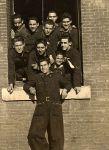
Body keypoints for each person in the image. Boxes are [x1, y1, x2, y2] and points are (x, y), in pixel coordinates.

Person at [23, 57, 71, 150]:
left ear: (49, 65)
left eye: (45, 65)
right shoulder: (37, 77)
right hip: (41, 107)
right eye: (41, 66)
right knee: (33, 135)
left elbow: (68, 83)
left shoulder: (56, 76)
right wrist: (30, 89)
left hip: (55, 106)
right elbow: (26, 85)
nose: (43, 67)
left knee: (56, 137)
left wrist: (65, 90)